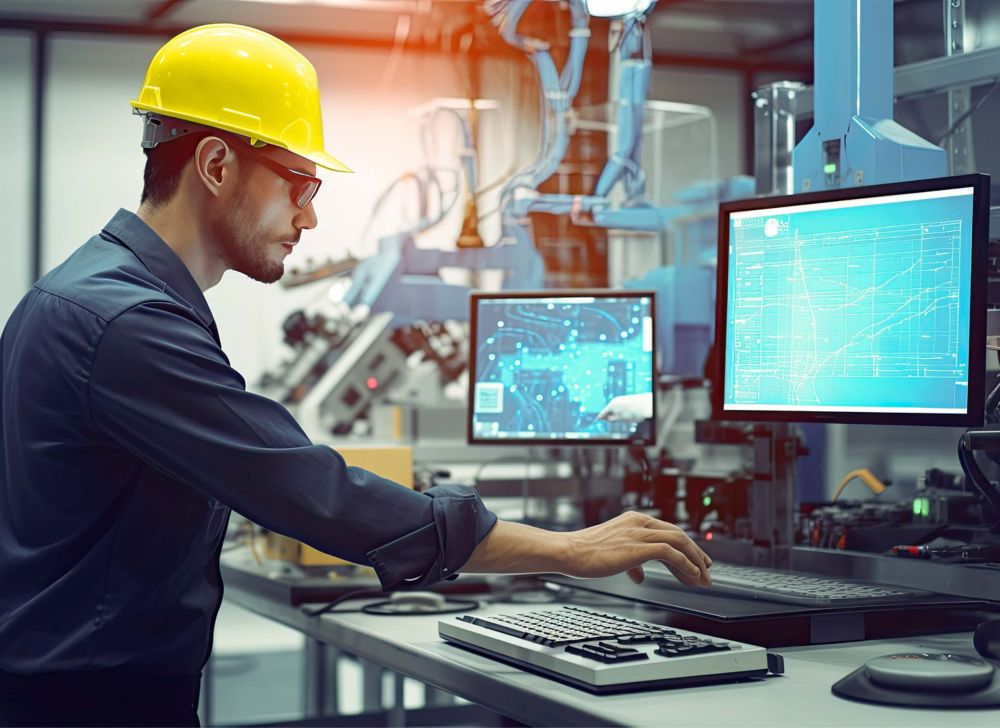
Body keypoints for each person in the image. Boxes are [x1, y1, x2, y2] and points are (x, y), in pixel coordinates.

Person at [0, 24, 711, 726]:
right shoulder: (128, 323)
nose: (309, 217)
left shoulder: (89, 294)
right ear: (216, 165)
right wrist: (568, 549)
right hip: (90, 703)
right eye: (300, 184)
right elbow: (311, 490)